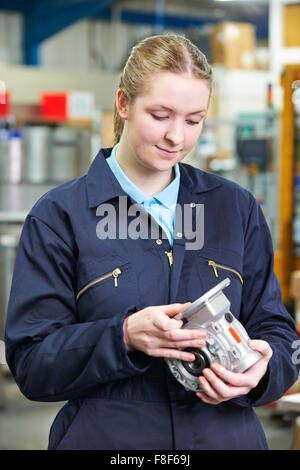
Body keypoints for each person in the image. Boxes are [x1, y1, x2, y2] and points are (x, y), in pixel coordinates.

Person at [4, 33, 299, 450]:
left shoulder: (235, 208)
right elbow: (32, 364)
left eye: (194, 120)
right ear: (123, 104)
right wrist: (122, 336)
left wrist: (262, 372)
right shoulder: (60, 216)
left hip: (225, 438)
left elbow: (278, 333)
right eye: (160, 115)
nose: (176, 137)